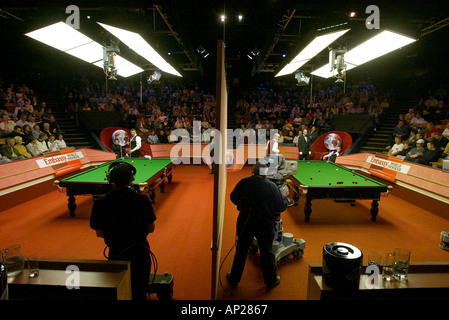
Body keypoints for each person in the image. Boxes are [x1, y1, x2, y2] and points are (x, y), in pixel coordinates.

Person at [90, 161, 156, 300]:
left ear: (110, 179)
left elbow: (99, 233)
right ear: (131, 179)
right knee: (139, 292)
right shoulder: (142, 199)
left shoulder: (100, 203)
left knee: (119, 291)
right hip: (140, 252)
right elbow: (151, 228)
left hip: (115, 253)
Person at [226, 160, 289, 289]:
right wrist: (284, 196)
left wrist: (243, 205)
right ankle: (270, 281)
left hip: (245, 222)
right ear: (266, 174)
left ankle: (234, 278)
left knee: (241, 250)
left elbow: (233, 198)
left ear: (253, 171)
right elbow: (281, 207)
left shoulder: (244, 182)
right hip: (265, 224)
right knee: (266, 252)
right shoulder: (272, 187)